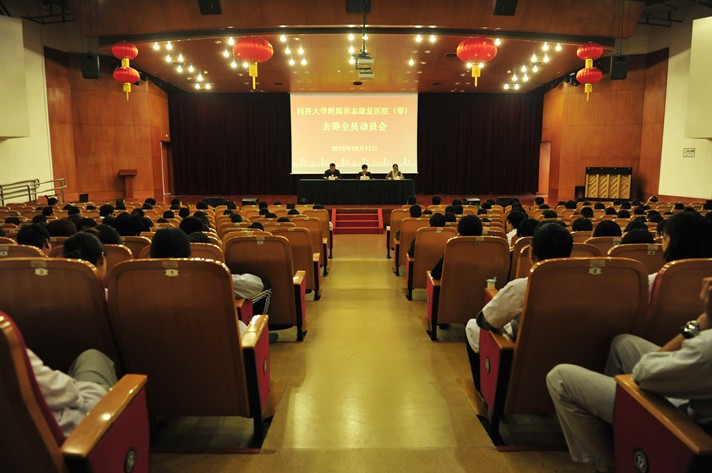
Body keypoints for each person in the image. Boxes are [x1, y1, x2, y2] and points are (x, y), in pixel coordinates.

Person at [547, 277, 712, 472]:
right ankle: (622, 438)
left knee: (559, 378)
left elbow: (642, 373)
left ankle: (615, 465)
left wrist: (701, 322)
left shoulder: (706, 348)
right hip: (699, 393)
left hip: (685, 424)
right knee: (623, 344)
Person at [464, 221, 573, 385]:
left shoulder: (521, 287)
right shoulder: (582, 287)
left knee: (472, 326)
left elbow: (485, 321)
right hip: (567, 359)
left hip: (524, 360)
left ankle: (486, 388)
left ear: (532, 253)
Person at [29, 348, 118, 436]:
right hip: (78, 427)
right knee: (92, 356)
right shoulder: (20, 355)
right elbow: (71, 395)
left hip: (35, 436)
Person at [431, 215, 483, 280]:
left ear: (459, 232)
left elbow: (436, 274)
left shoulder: (454, 248)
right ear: (481, 231)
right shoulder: (490, 248)